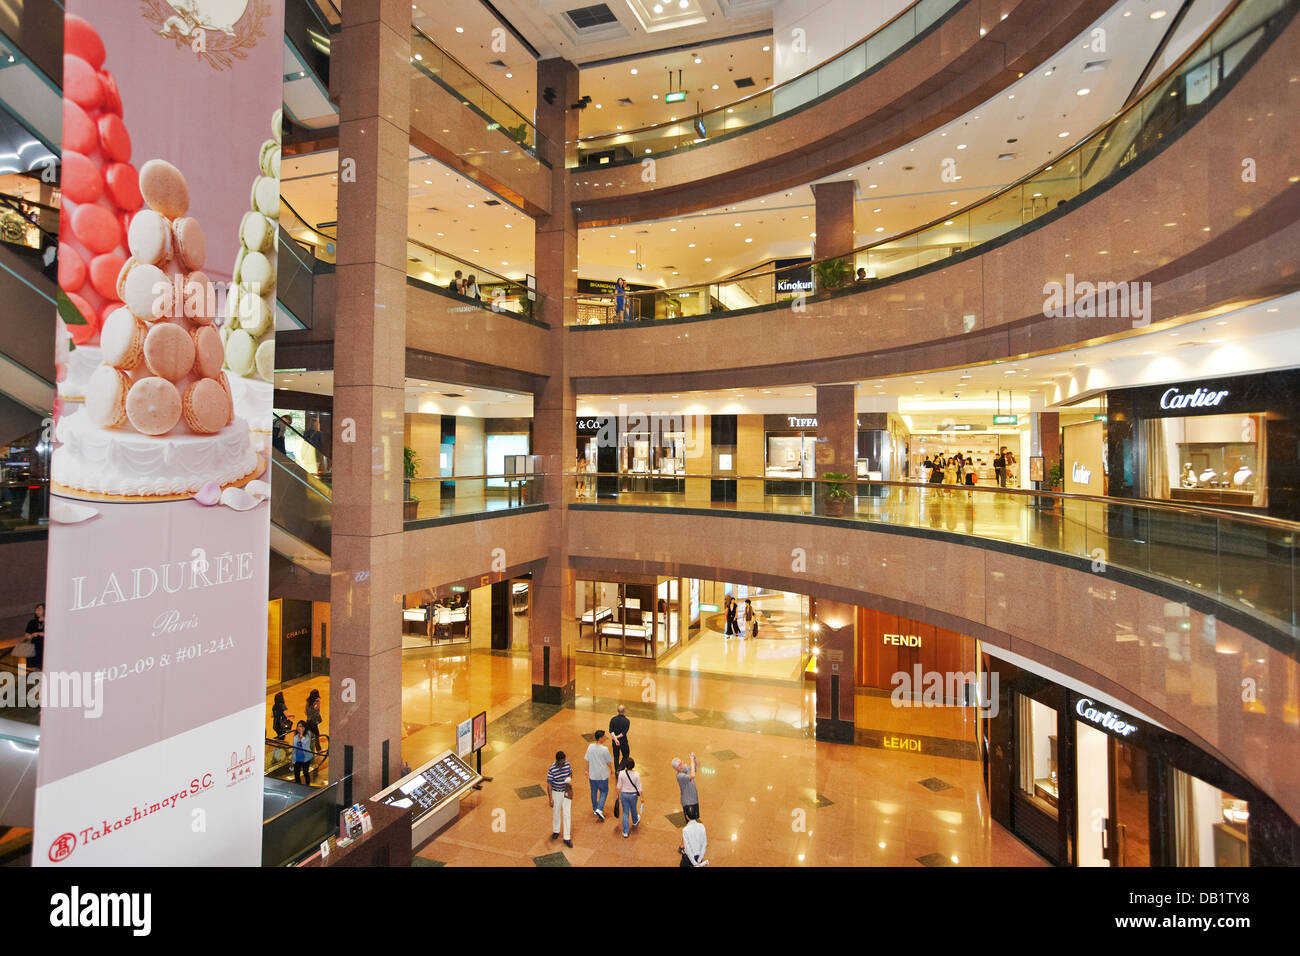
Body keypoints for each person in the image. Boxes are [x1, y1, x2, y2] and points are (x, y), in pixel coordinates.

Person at [584, 730, 614, 821]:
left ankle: (594, 809)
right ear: (600, 738)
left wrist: (586, 770)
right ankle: (600, 809)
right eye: (604, 736)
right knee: (604, 791)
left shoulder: (590, 747)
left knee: (593, 792)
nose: (605, 738)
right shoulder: (604, 749)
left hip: (592, 774)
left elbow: (587, 760)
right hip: (602, 775)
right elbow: (608, 762)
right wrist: (612, 769)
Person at [546, 750, 574, 847]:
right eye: (561, 763)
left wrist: (569, 778)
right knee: (556, 812)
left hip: (566, 792)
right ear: (557, 761)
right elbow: (549, 784)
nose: (563, 764)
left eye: (564, 761)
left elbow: (570, 773)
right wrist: (550, 798)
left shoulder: (567, 764)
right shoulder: (552, 769)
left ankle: (567, 837)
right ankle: (556, 831)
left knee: (567, 814)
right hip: (556, 793)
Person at [616, 757, 643, 838]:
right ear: (633, 765)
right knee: (633, 808)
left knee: (625, 813)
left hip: (624, 795)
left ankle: (625, 832)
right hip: (633, 795)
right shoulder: (637, 775)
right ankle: (635, 821)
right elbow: (639, 788)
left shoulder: (621, 773)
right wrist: (642, 797)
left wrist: (617, 795)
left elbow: (618, 786)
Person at [672, 752, 699, 818]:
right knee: (690, 821)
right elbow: (692, 776)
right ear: (678, 768)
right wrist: (691, 761)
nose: (683, 763)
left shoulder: (686, 768)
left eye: (681, 762)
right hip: (688, 802)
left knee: (695, 819)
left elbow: (697, 766)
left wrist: (695, 759)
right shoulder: (680, 776)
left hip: (694, 799)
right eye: (680, 764)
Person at [304, 689, 323, 775]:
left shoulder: (308, 702)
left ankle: (316, 749)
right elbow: (317, 710)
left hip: (308, 721)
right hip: (313, 723)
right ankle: (317, 750)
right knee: (316, 735)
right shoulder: (315, 703)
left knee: (311, 736)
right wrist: (319, 702)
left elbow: (305, 712)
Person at [608, 704, 631, 773]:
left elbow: (611, 731)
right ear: (624, 711)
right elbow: (623, 733)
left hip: (614, 742)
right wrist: (617, 738)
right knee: (626, 756)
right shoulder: (627, 721)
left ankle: (616, 771)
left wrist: (615, 739)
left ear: (618, 711)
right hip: (623, 742)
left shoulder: (613, 719)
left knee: (616, 757)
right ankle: (619, 769)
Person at [23, 603, 44, 671]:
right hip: (34, 647)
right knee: (34, 667)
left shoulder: (51, 621)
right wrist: (32, 634)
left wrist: (42, 634)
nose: (37, 611)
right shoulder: (32, 622)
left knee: (44, 665)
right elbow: (27, 636)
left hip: (45, 647)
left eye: (39, 609)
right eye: (36, 609)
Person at [291, 721, 312, 786]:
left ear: (304, 727)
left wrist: (301, 735)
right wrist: (292, 760)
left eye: (300, 726)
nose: (299, 728)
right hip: (297, 758)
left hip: (306, 758)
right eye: (298, 726)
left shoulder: (308, 735)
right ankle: (298, 786)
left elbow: (305, 744)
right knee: (296, 774)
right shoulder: (295, 737)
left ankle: (307, 786)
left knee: (305, 772)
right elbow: (294, 749)